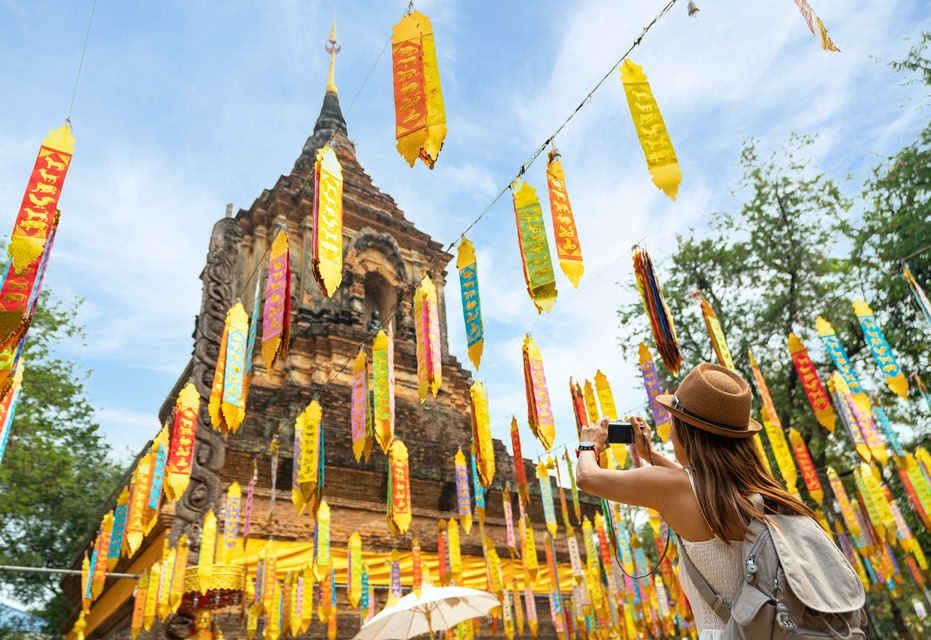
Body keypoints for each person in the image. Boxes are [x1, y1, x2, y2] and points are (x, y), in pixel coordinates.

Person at [575, 362, 819, 639]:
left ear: (687, 433)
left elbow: (587, 477)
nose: (670, 433)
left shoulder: (682, 489)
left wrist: (588, 443)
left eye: (673, 424)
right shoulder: (764, 491)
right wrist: (651, 456)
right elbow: (692, 481)